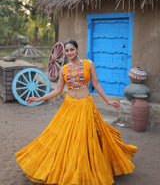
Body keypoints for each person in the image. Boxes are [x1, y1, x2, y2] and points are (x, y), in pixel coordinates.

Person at [15, 39, 137, 185]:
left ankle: (87, 169)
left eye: (72, 49)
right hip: (69, 106)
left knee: (84, 138)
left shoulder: (88, 64)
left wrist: (108, 101)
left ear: (77, 49)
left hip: (85, 105)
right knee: (64, 139)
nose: (69, 53)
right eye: (67, 51)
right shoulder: (64, 69)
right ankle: (69, 170)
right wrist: (39, 98)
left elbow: (96, 83)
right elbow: (58, 90)